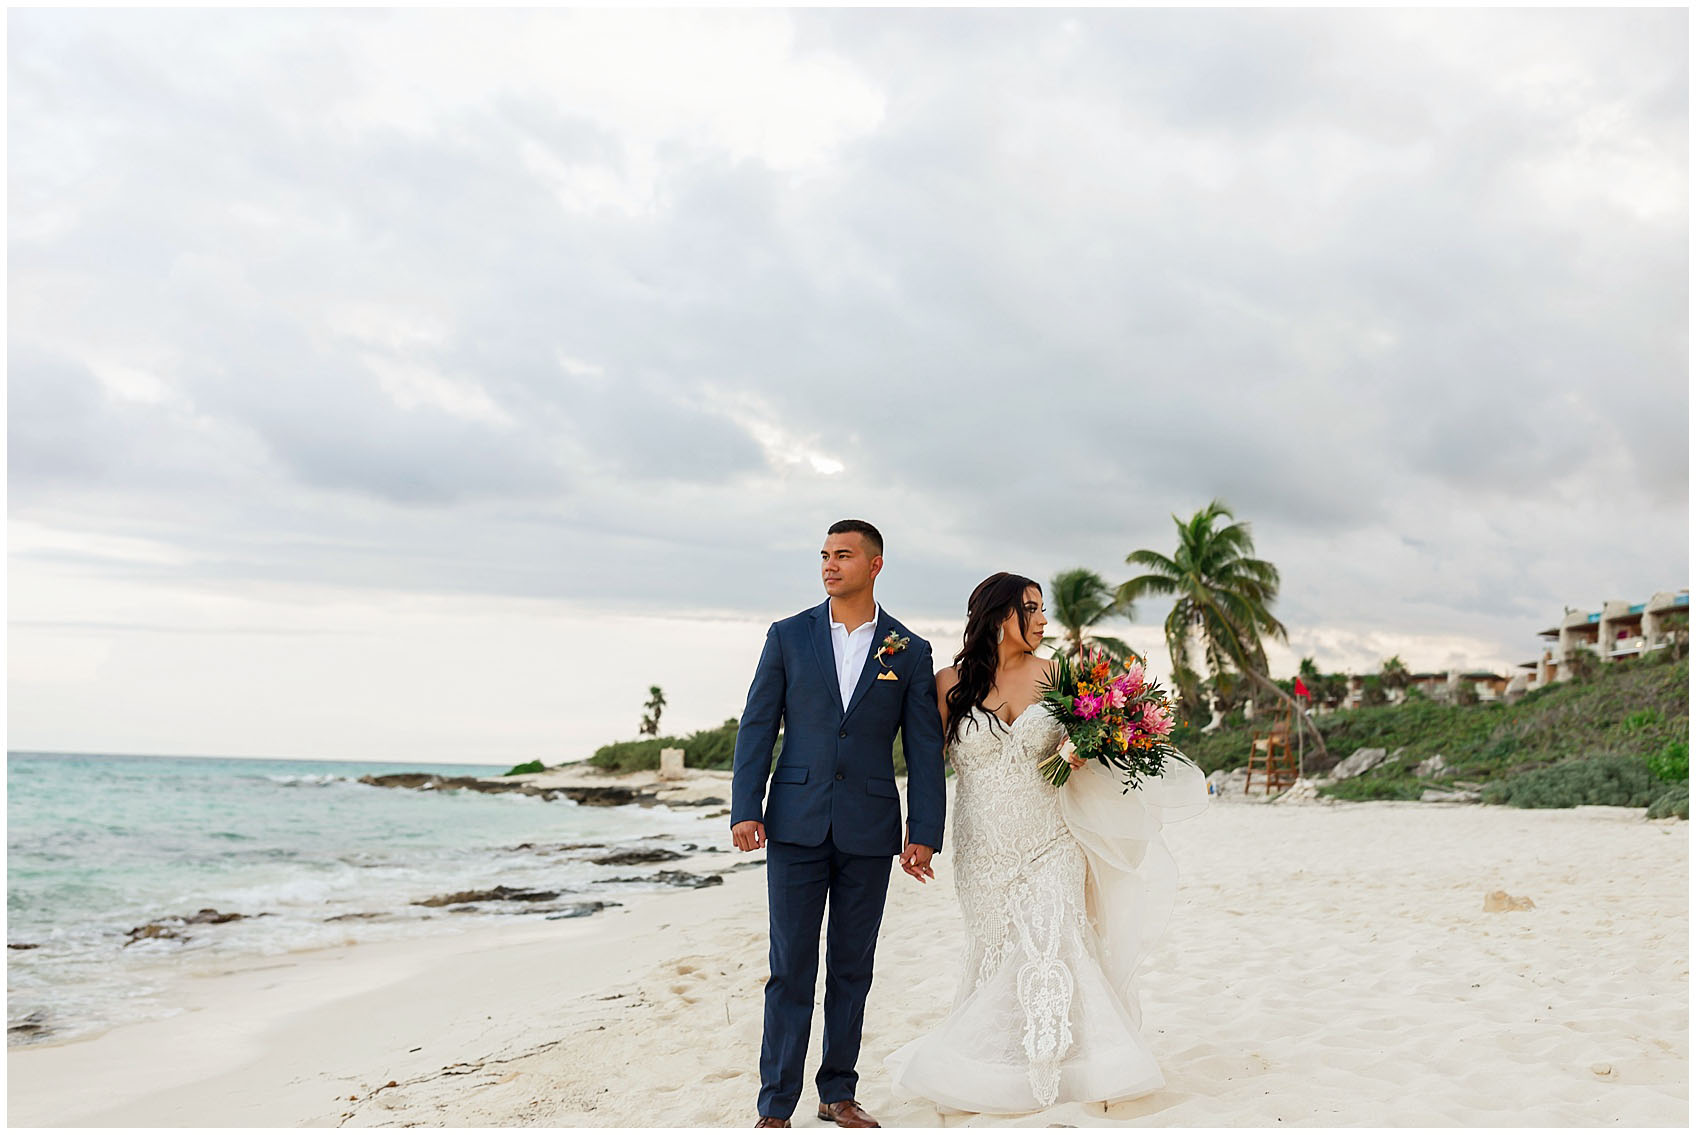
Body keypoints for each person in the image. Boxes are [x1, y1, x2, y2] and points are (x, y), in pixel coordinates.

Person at [883, 572, 1209, 1115]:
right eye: (1030, 608)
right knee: (993, 952)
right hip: (982, 845)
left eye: (1041, 608)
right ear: (998, 614)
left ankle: (1066, 1068)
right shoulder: (947, 684)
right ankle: (993, 1066)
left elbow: (1099, 744)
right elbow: (923, 767)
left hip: (1052, 839)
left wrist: (1087, 749)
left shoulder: (1060, 676)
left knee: (1055, 943)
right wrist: (920, 836)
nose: (1042, 619)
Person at [730, 519, 947, 1129]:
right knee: (790, 967)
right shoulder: (788, 636)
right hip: (794, 824)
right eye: (825, 555)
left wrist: (925, 832)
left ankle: (837, 1093)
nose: (830, 564)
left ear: (874, 565)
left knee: (853, 967)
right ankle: (775, 1107)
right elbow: (757, 725)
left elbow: (924, 749)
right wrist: (746, 806)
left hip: (870, 830)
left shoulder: (909, 649)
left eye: (843, 555)